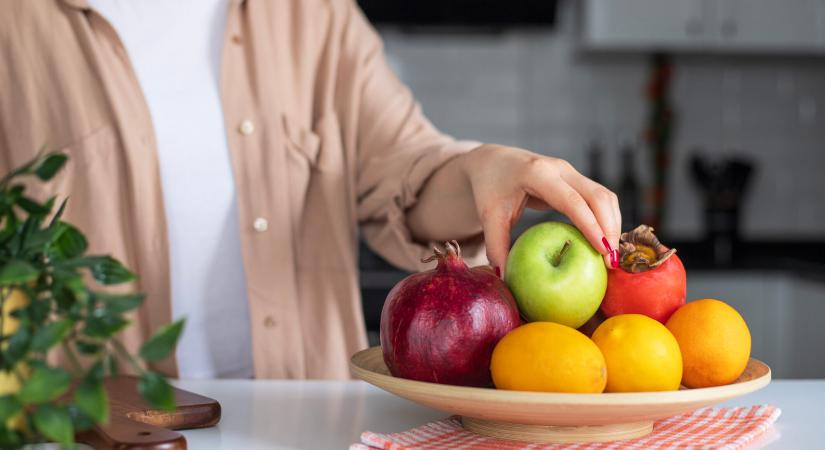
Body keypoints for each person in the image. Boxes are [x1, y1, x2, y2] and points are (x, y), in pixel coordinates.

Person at [0, 0, 621, 379]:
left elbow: (405, 168)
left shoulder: (313, 13)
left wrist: (484, 167)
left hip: (301, 421)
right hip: (80, 425)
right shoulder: (17, 24)